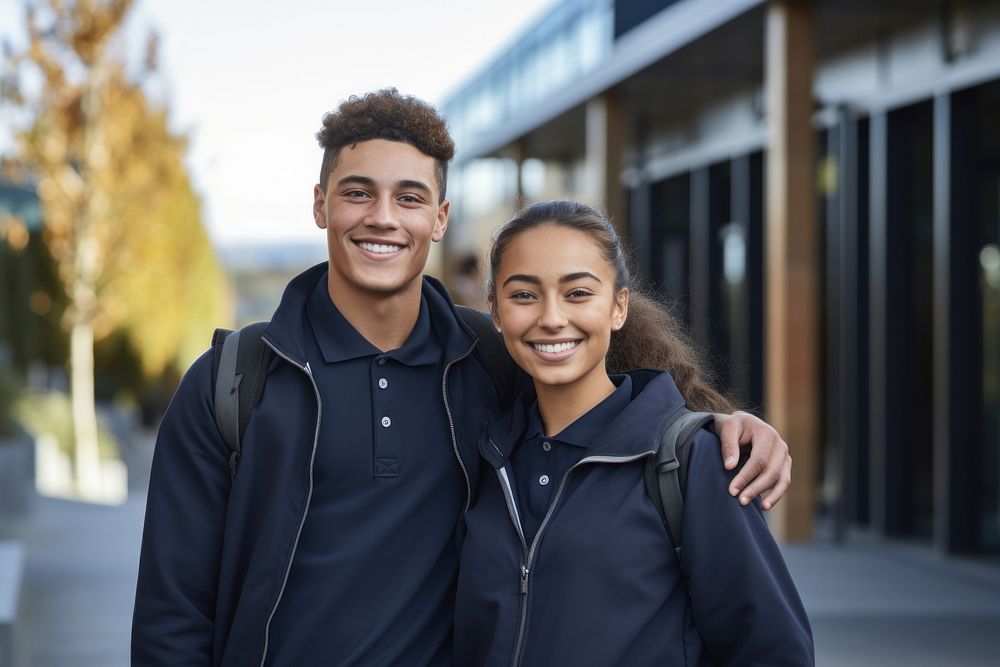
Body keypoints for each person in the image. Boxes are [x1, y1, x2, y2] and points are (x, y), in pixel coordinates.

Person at [131, 89, 794, 666]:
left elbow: (591, 373)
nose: (383, 216)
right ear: (320, 204)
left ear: (440, 218)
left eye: (410, 196)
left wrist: (717, 423)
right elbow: (172, 614)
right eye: (357, 191)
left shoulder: (485, 359)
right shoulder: (233, 383)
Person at [454, 200, 814, 666]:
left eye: (578, 293)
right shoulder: (485, 457)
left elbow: (772, 652)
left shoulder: (694, 462)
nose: (551, 317)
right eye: (524, 295)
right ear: (496, 314)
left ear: (618, 307)